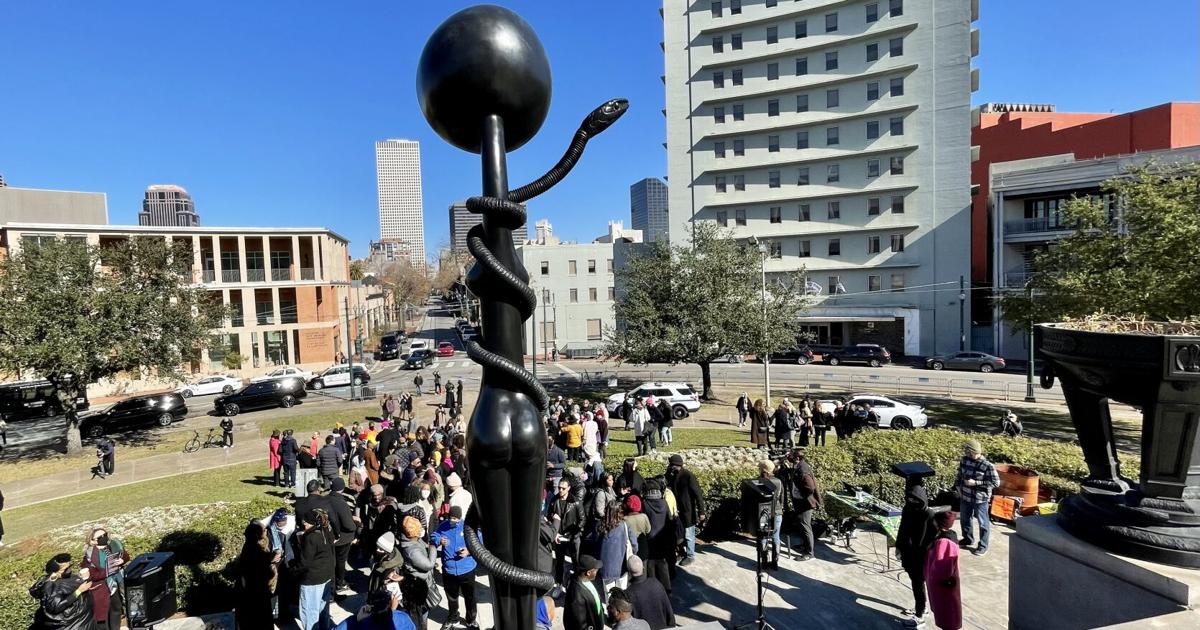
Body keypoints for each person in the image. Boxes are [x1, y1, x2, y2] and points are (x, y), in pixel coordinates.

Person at [896, 467, 946, 629]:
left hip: (921, 557)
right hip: (909, 555)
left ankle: (920, 616)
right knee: (917, 584)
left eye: (914, 499)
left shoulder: (928, 515)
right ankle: (922, 609)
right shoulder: (908, 509)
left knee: (918, 584)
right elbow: (902, 530)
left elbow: (934, 539)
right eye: (909, 498)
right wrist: (899, 547)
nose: (911, 502)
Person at [431, 506, 478, 628]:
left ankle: (471, 620)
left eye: (456, 518)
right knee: (452, 597)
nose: (453, 520)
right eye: (451, 518)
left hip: (467, 569)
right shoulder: (444, 526)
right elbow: (434, 536)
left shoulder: (467, 527)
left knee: (470, 597)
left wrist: (469, 551)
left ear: (460, 517)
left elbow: (479, 542)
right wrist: (439, 540)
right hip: (449, 570)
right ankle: (453, 618)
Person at [29, 553, 95, 630]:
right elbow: (56, 607)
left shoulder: (66, 577)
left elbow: (70, 588)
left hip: (83, 619)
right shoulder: (50, 586)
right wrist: (79, 591)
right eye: (65, 569)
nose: (69, 570)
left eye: (70, 567)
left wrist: (81, 580)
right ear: (55, 571)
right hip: (71, 625)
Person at [956, 439, 999, 556]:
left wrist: (975, 483)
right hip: (965, 496)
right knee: (965, 520)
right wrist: (958, 487)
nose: (967, 454)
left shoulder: (987, 466)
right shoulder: (964, 460)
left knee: (983, 523)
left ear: (974, 452)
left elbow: (995, 483)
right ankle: (968, 539)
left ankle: (983, 545)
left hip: (980, 499)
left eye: (969, 452)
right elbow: (960, 474)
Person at [294, 509, 335, 630]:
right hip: (326, 576)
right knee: (323, 608)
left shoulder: (310, 537)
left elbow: (305, 562)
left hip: (312, 580)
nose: (304, 524)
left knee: (309, 611)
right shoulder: (325, 531)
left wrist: (293, 571)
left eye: (305, 522)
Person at [80, 527, 128, 630]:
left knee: (116, 609)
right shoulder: (90, 556)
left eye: (105, 535)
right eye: (101, 537)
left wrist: (122, 560)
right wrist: (108, 570)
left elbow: (125, 555)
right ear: (92, 541)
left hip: (116, 584)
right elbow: (92, 574)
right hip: (101, 588)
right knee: (103, 616)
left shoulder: (113, 546)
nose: (104, 538)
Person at [398, 516, 440, 630]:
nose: (421, 530)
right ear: (413, 533)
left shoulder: (413, 539)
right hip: (418, 585)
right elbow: (429, 565)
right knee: (421, 610)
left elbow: (422, 545)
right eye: (419, 529)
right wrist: (433, 546)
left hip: (418, 582)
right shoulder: (412, 551)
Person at [235, 521, 278, 630]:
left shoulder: (251, 546)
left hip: (253, 592)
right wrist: (271, 560)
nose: (266, 532)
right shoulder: (252, 549)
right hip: (255, 593)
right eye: (263, 531)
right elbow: (258, 567)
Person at [925, 511, 963, 630]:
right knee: (948, 610)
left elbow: (941, 565)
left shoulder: (944, 542)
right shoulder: (948, 536)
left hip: (943, 584)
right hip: (946, 582)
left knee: (947, 611)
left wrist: (931, 576)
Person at [667, 454, 705, 567]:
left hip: (688, 511)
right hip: (677, 510)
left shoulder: (688, 476)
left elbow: (698, 494)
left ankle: (690, 555)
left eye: (671, 465)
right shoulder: (672, 475)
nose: (669, 466)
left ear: (676, 465)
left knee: (689, 535)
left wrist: (701, 511)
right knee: (678, 533)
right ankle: (681, 552)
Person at [639, 479, 675, 595]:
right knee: (663, 563)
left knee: (650, 564)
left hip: (650, 539)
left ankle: (653, 589)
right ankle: (667, 589)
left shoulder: (644, 504)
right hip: (663, 537)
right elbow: (669, 520)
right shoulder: (664, 502)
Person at [548, 478, 585, 586]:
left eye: (563, 488)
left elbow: (582, 520)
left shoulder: (576, 502)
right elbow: (549, 517)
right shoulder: (554, 500)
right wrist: (555, 532)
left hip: (573, 536)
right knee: (559, 562)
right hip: (559, 536)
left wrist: (574, 533)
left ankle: (577, 584)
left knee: (575, 561)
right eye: (559, 488)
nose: (560, 490)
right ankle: (559, 584)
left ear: (568, 488)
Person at [622, 556, 674, 630]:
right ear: (643, 568)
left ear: (629, 572)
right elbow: (668, 608)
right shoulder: (656, 582)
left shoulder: (627, 594)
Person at [334, 588, 416, 630]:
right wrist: (393, 610)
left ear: (370, 607)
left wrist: (356, 619)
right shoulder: (404, 618)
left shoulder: (359, 623)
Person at [791, 453, 821, 560]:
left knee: (805, 526)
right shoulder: (801, 466)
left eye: (791, 457)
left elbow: (810, 487)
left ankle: (809, 553)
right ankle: (805, 545)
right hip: (802, 502)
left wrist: (801, 494)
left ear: (797, 458)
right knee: (802, 524)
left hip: (806, 503)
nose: (789, 459)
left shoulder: (803, 469)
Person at [564, 555, 604, 630]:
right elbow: (580, 624)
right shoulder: (577, 595)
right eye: (595, 570)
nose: (597, 572)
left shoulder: (586, 580)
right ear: (588, 573)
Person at [758, 460, 784, 569]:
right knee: (776, 537)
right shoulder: (778, 481)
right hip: (777, 512)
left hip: (764, 512)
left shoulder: (760, 481)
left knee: (763, 536)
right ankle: (775, 563)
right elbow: (782, 498)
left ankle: (764, 562)